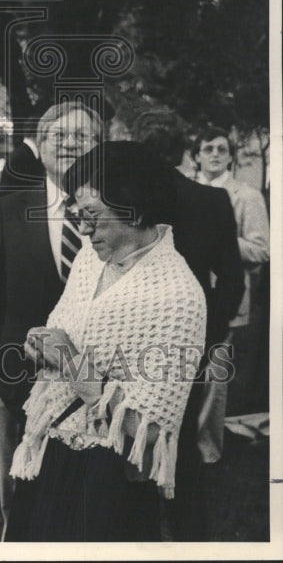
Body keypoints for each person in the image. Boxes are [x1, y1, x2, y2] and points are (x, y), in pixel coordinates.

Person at [5, 142, 207, 541]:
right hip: (50, 446)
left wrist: (70, 362)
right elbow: (64, 332)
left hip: (108, 476)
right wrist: (42, 346)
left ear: (136, 208)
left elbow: (148, 430)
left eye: (93, 216)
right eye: (78, 215)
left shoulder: (179, 297)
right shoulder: (88, 258)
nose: (82, 229)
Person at [0, 101, 102, 534]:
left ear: (98, 146)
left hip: (92, 381)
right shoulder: (12, 207)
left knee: (77, 495)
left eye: (81, 137)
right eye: (57, 135)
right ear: (40, 145)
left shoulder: (118, 212)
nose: (69, 144)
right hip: (20, 375)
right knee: (17, 485)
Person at [132, 114, 243, 539]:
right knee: (182, 444)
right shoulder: (211, 201)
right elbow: (232, 278)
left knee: (133, 438)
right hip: (189, 339)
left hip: (133, 337)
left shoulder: (126, 201)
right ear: (184, 152)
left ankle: (137, 534)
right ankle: (188, 536)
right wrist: (210, 335)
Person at [193, 127, 270, 460]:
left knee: (214, 372)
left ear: (230, 155)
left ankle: (207, 450)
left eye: (221, 149)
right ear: (196, 155)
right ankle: (183, 442)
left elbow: (262, 250)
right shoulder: (186, 191)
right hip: (187, 292)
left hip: (224, 294)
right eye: (207, 148)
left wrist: (220, 236)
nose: (214, 154)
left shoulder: (246, 195)